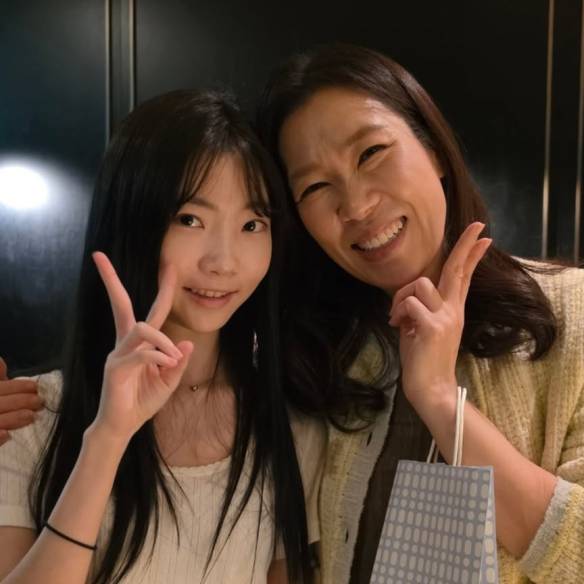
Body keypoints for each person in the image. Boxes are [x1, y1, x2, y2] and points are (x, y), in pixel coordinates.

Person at [256, 44, 584, 584]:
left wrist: (438, 397)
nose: (356, 206)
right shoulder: (325, 354)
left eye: (371, 153)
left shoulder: (572, 312)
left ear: (432, 149)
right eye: (315, 187)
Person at [0, 90, 324, 584]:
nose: (224, 261)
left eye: (252, 224)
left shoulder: (289, 425)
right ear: (131, 220)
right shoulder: (30, 417)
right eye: (190, 219)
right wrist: (108, 438)